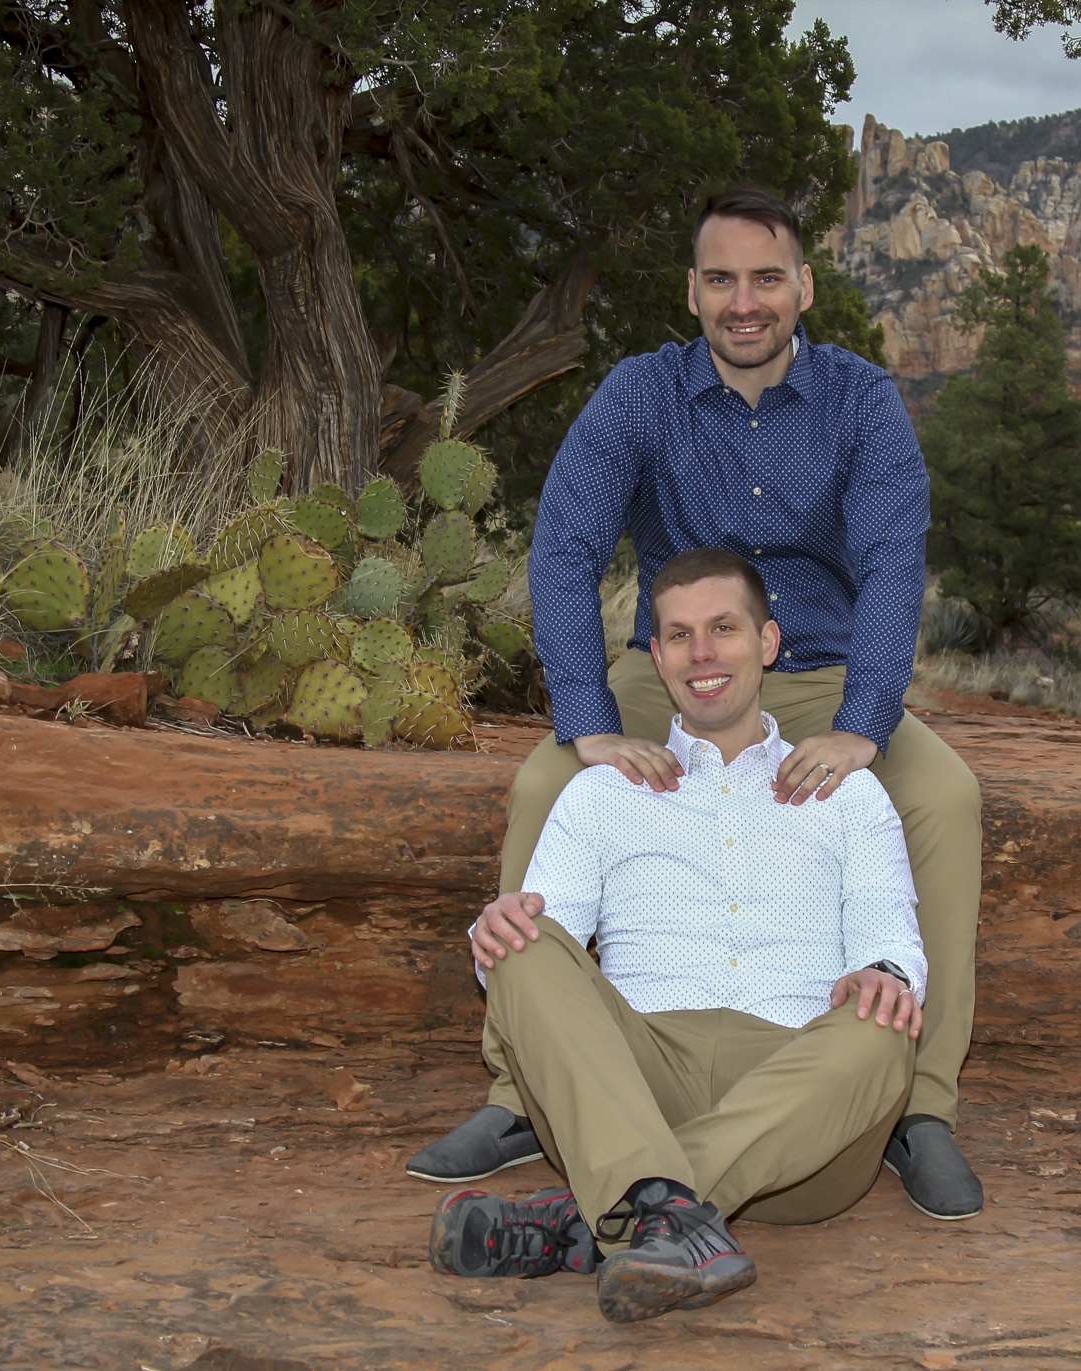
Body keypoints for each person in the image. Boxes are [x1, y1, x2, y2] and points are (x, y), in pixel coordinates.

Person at [407, 185, 984, 1220]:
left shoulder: (860, 401)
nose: (744, 301)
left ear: (802, 286)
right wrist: (586, 716)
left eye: (766, 277)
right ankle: (518, 1092)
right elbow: (567, 544)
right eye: (720, 279)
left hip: (824, 669)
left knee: (942, 797)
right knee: (548, 776)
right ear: (692, 292)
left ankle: (919, 1109)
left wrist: (865, 721)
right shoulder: (638, 395)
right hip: (682, 661)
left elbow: (896, 561)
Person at [428, 551, 925, 1323]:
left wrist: (885, 971)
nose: (702, 653)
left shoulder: (847, 794)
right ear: (655, 657)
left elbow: (890, 932)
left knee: (883, 1021)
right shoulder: (600, 793)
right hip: (635, 1091)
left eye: (723, 628)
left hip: (802, 1123)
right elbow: (522, 978)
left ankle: (598, 1216)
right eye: (680, 634)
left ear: (767, 642)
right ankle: (658, 1213)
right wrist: (495, 930)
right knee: (520, 933)